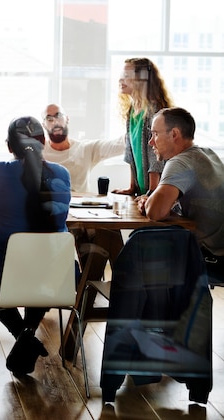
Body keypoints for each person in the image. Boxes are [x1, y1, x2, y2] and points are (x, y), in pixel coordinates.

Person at [0, 116, 71, 376]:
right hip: (58, 279)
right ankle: (28, 333)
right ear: (44, 143)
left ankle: (23, 335)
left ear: (10, 146)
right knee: (40, 269)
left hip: (8, 277)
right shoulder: (62, 173)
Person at [137, 107, 224, 285]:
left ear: (174, 134)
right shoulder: (207, 154)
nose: (150, 142)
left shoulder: (180, 162)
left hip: (214, 258)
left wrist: (149, 203)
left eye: (155, 134)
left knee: (141, 245)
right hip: (219, 251)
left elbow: (155, 212)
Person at [113, 57, 173, 197]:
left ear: (142, 79)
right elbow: (130, 151)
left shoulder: (154, 110)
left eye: (126, 76)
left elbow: (156, 154)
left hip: (157, 192)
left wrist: (152, 192)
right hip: (142, 192)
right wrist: (132, 188)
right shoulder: (132, 110)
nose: (121, 80)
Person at [41, 103, 124, 193]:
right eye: (49, 119)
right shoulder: (37, 152)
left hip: (80, 205)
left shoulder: (85, 149)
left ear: (67, 119)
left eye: (59, 116)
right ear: (44, 125)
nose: (55, 122)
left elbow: (120, 144)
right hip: (48, 205)